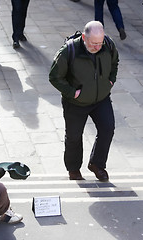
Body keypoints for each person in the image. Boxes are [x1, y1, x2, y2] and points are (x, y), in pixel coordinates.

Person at [49, 21, 119, 181]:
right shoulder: (68, 51)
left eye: (100, 43)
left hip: (101, 98)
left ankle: (97, 164)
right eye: (94, 43)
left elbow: (115, 63)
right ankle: (73, 170)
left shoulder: (108, 44)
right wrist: (72, 93)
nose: (97, 47)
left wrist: (111, 81)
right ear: (84, 37)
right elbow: (54, 77)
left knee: (108, 129)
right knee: (74, 136)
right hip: (75, 103)